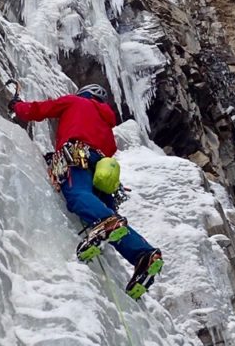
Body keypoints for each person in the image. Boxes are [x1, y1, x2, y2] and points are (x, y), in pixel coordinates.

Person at [9, 83, 163, 299]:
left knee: (78, 196)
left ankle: (105, 224)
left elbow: (40, 110)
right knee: (108, 215)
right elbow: (109, 149)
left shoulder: (75, 101)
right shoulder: (107, 123)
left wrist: (18, 106)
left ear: (83, 94)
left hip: (77, 155)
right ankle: (144, 255)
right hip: (102, 170)